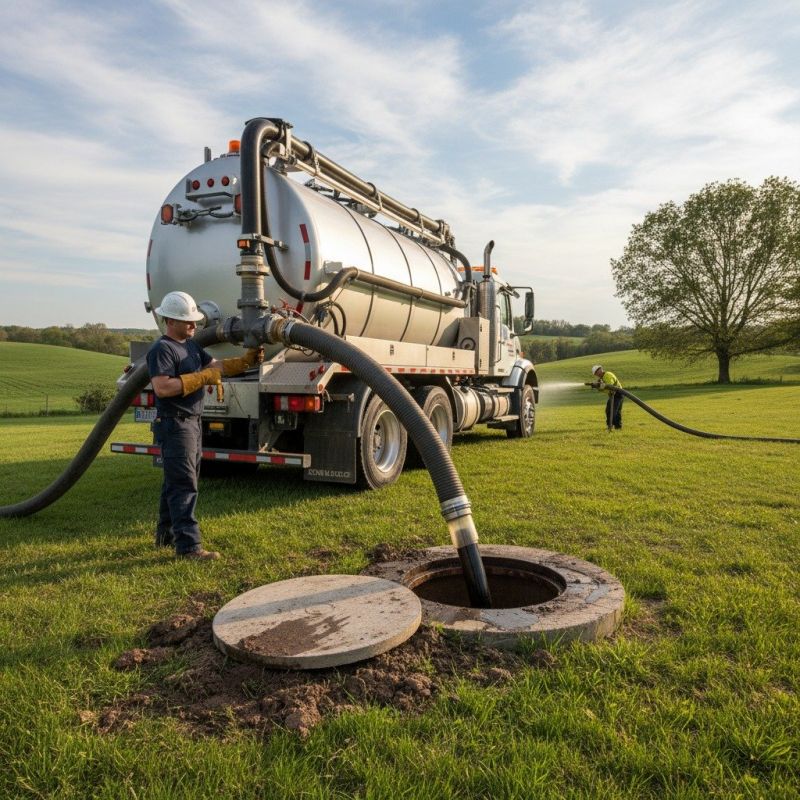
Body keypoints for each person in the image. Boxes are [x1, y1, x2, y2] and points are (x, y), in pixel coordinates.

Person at [147, 291, 262, 560]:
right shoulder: (162, 349)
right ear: (170, 321)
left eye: (194, 320)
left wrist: (244, 361)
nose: (194, 325)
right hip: (175, 424)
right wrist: (200, 378)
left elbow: (215, 366)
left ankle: (166, 536)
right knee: (184, 485)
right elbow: (162, 387)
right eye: (187, 321)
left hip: (191, 422)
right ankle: (189, 547)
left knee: (175, 482)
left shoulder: (191, 346)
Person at [591, 364, 623, 431]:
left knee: (612, 411)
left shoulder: (608, 375)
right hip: (613, 395)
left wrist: (600, 386)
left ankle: (611, 426)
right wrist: (598, 387)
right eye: (596, 373)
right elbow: (605, 390)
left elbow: (610, 386)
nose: (597, 374)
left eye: (597, 371)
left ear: (601, 369)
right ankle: (617, 427)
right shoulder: (602, 378)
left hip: (618, 394)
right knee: (611, 411)